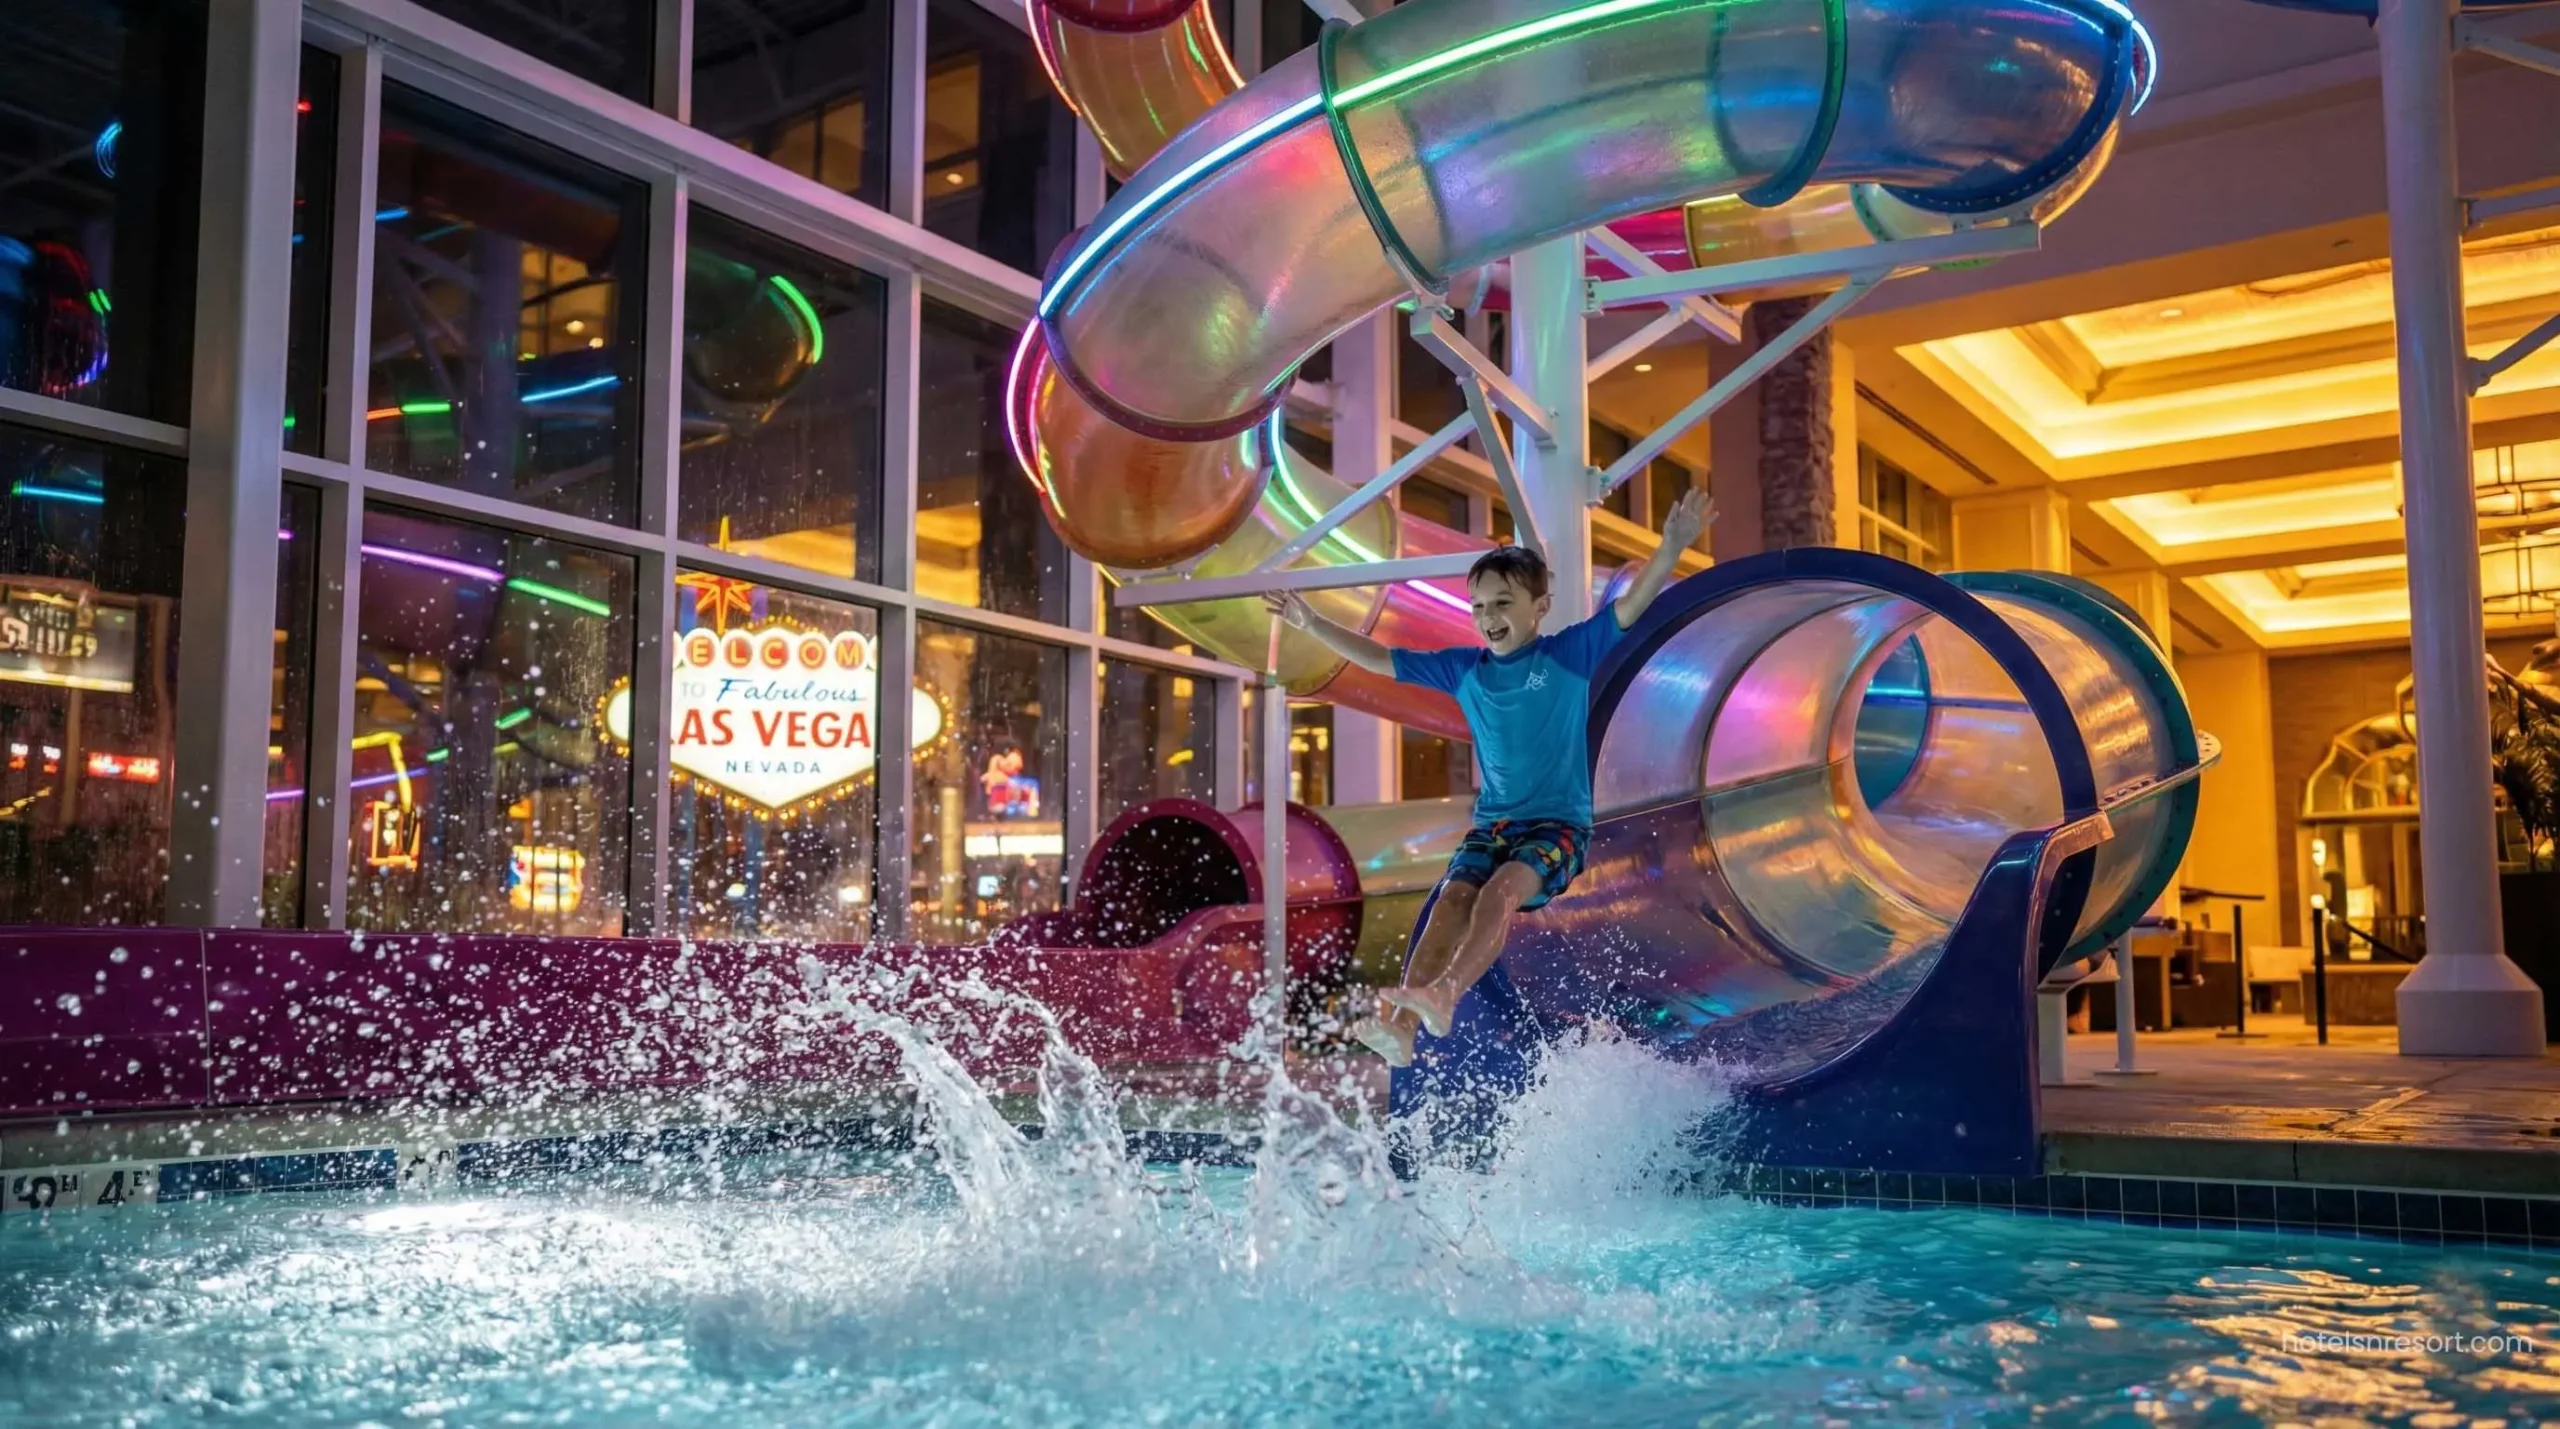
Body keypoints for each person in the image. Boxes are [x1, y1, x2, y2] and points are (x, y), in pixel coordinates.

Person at [1263, 488, 1714, 1065]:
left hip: (1557, 828)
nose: (1488, 618)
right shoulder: (1464, 669)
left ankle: (1444, 995)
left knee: (1499, 893)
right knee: (1451, 901)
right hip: (1492, 825)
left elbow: (1630, 608)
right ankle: (1402, 1028)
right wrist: (1313, 622)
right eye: (1479, 607)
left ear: (1539, 607)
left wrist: (1672, 545)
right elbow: (1380, 658)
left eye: (1502, 604)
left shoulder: (1567, 655)